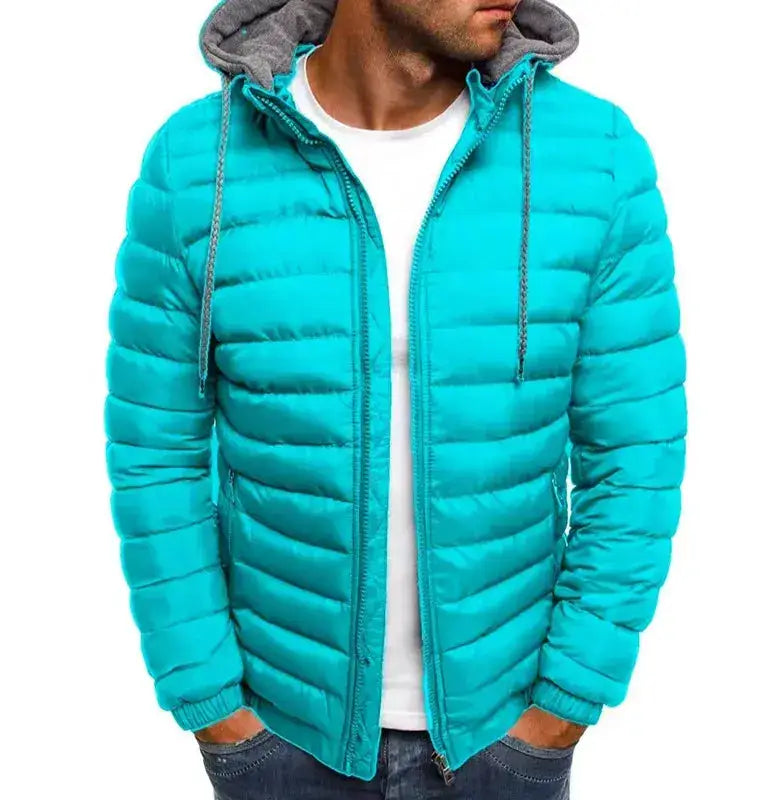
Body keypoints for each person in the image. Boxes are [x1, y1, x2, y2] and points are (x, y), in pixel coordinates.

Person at [105, 0, 686, 797]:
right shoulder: (196, 165)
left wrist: (567, 699)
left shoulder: (596, 159)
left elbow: (635, 454)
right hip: (279, 735)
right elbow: (154, 451)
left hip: (504, 738)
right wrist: (211, 702)